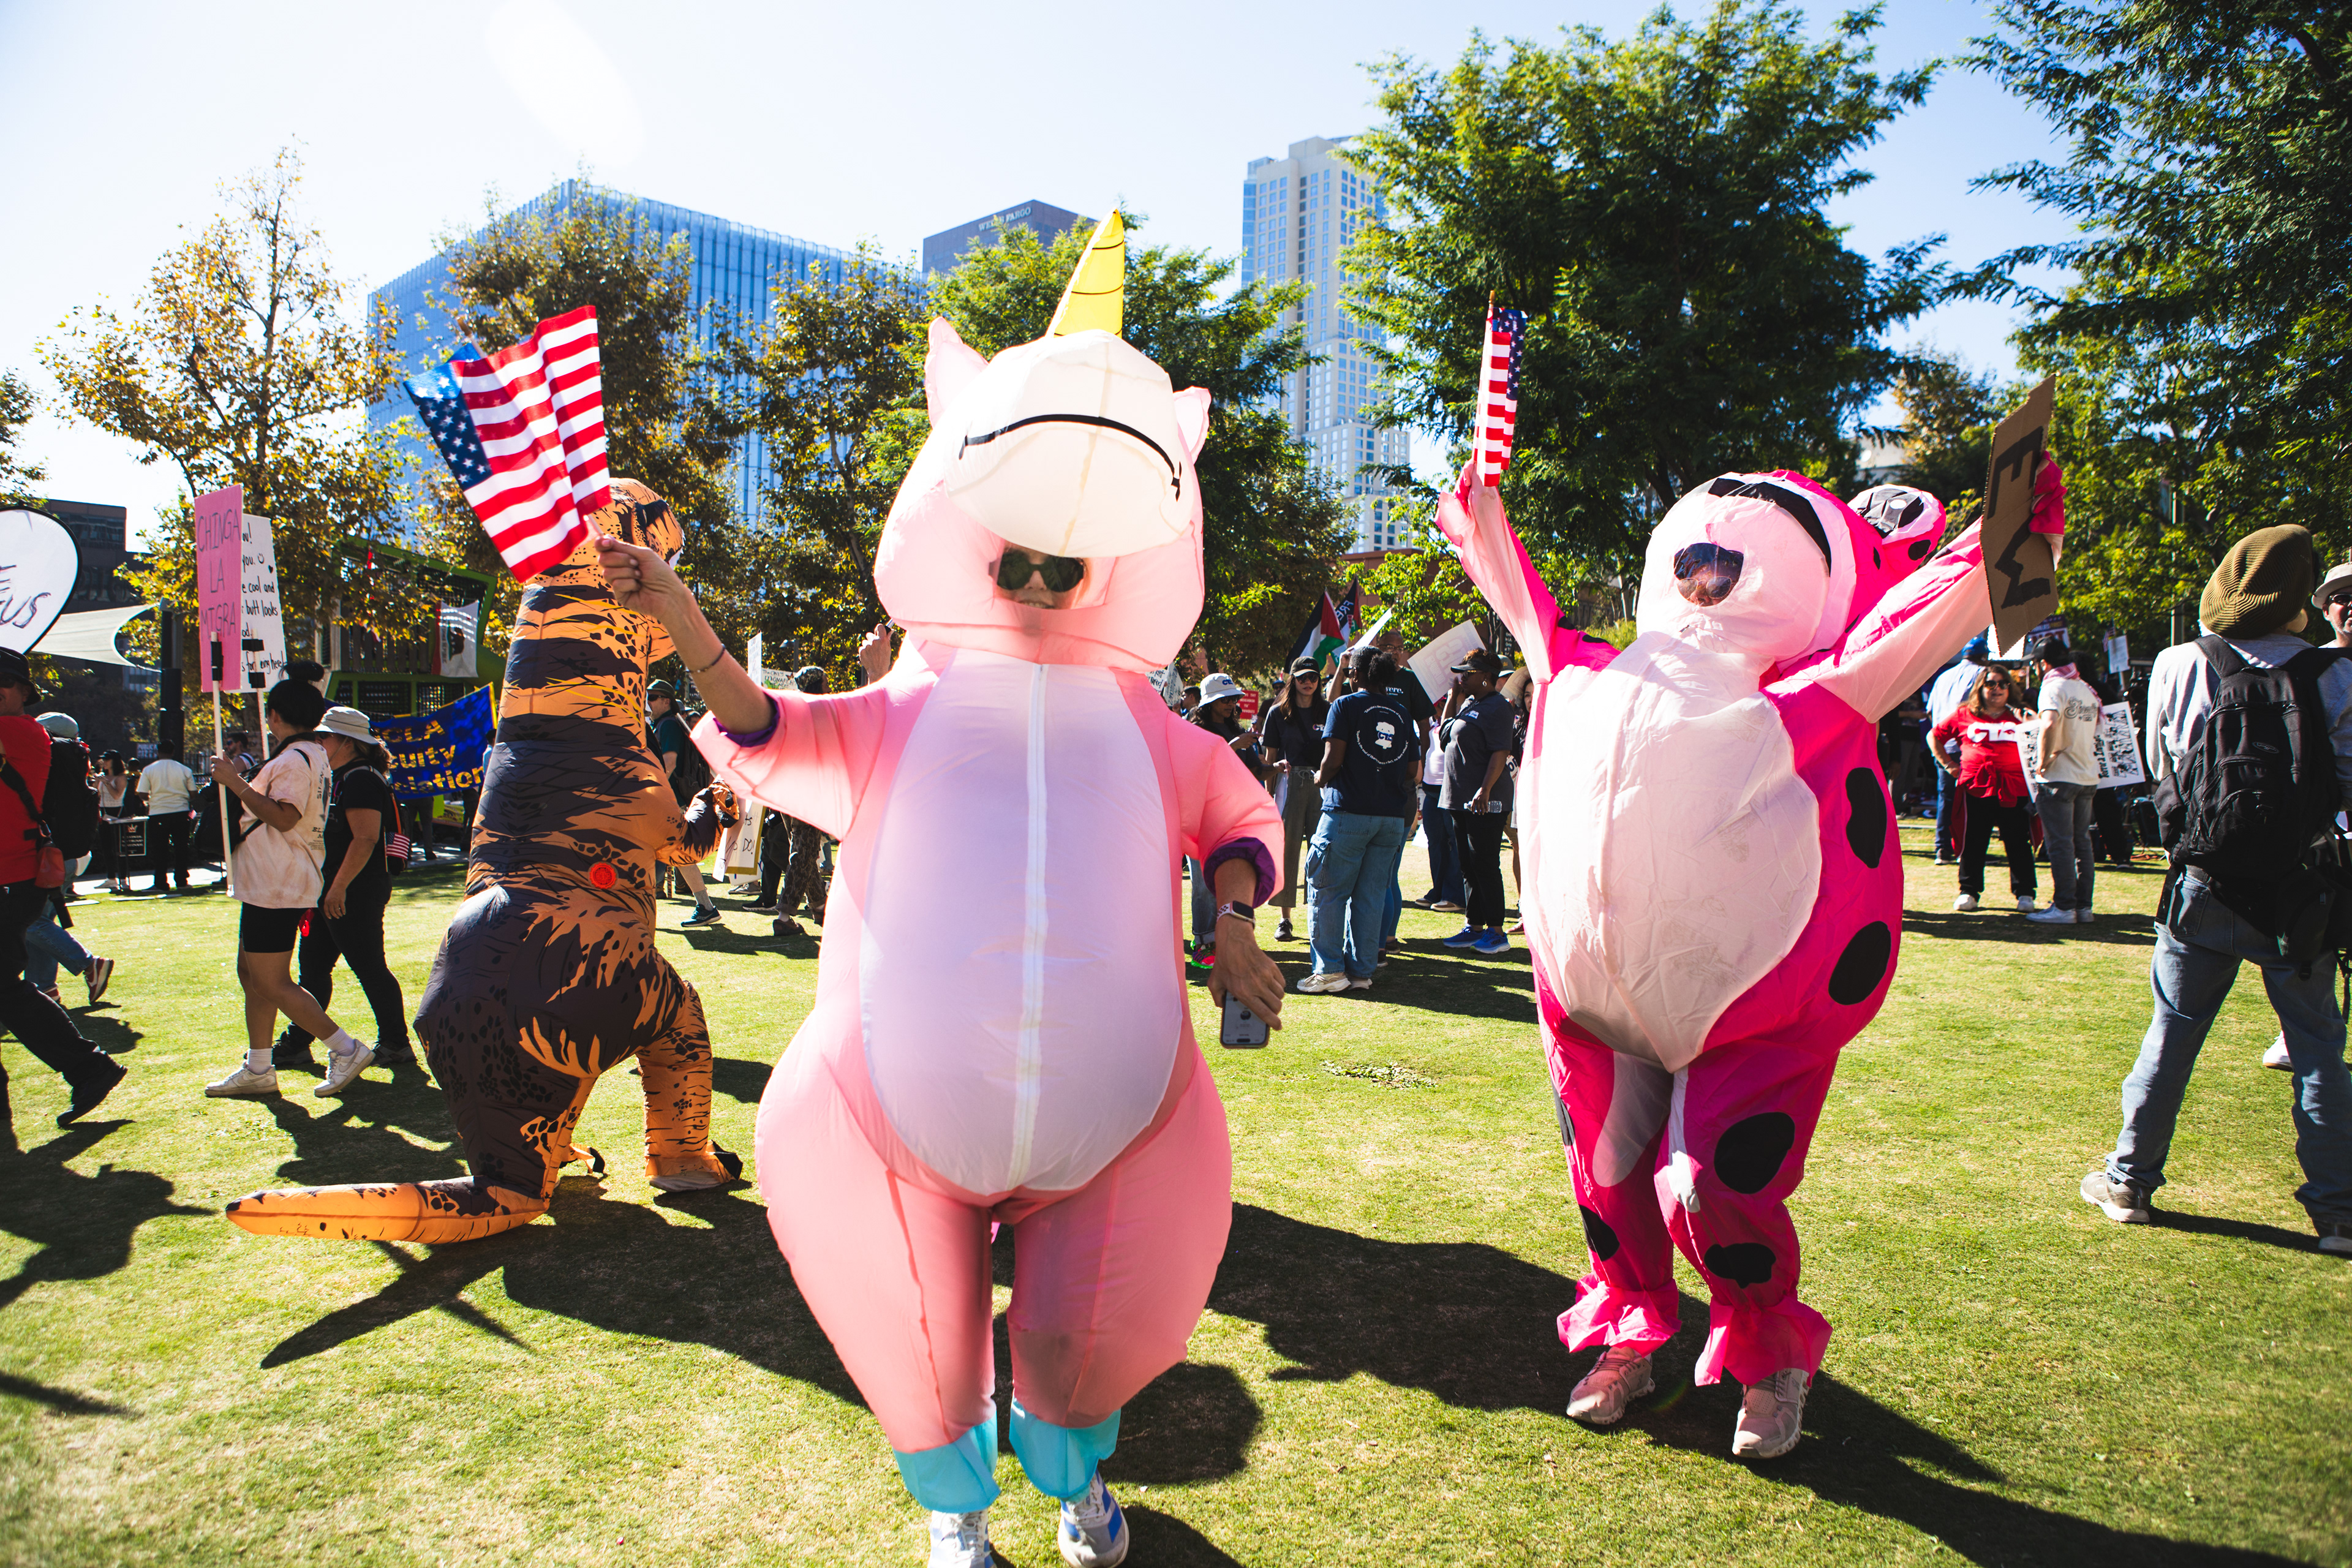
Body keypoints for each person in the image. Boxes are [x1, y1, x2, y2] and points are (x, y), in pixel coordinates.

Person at [594, 238, 1285, 1567]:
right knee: (918, 1335)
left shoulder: (1153, 727)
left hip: (1124, 1120)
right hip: (887, 1114)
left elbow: (1240, 821)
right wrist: (682, 614)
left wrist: (1235, 916)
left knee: (1095, 1348)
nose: (1036, 577)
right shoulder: (900, 711)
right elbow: (767, 725)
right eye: (1014, 554)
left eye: (1063, 562)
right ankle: (955, 1508)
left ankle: (1076, 1475)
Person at [1438, 459, 2060, 1461]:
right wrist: (1480, 497)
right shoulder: (1585, 663)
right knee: (1608, 1176)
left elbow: (1933, 615)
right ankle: (1633, 1328)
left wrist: (2010, 528)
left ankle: (1768, 1356)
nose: (1717, 554)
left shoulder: (1819, 694)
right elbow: (1510, 582)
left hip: (1749, 999)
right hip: (1597, 992)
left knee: (1713, 1185)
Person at [2084, 525, 2352, 1256]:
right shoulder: (2334, 676)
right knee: (2319, 1043)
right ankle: (2338, 1211)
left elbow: (2158, 760)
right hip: (2301, 888)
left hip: (2204, 881)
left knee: (2172, 1031)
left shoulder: (2180, 661)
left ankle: (2130, 1180)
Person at [202, 678, 374, 1100]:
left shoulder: (298, 758)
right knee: (253, 976)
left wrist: (234, 781)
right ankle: (259, 1065)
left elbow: (284, 817)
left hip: (277, 882)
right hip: (272, 879)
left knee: (272, 981)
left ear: (274, 716)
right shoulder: (311, 754)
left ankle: (345, 1048)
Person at [0, 649, 123, 1135]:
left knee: (5, 988)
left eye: (4, 687)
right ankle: (88, 1068)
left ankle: (89, 1067)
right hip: (11, 875)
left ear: (21, 693)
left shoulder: (22, 731)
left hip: (14, 877)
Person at [271, 707, 414, 1073]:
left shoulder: (360, 779)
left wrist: (337, 889)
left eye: (325, 737)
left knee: (368, 967)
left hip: (353, 890)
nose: (319, 742)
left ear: (348, 742)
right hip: (333, 890)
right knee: (313, 970)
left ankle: (396, 1043)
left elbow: (365, 839)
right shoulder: (342, 776)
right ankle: (298, 1043)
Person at [1298, 644, 1417, 992]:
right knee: (1371, 896)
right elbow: (1413, 769)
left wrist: (1321, 777)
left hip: (1347, 811)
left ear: (1356, 675)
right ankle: (1362, 972)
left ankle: (1330, 971)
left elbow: (1332, 758)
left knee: (1328, 892)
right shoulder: (1401, 711)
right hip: (1391, 817)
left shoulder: (1344, 705)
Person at [1932, 666, 2040, 913]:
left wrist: (2032, 721)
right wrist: (1949, 765)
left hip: (2014, 787)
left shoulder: (2020, 715)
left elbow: (2044, 732)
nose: (1997, 689)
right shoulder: (1964, 714)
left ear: (2010, 688)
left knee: (2017, 841)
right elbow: (1934, 736)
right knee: (1974, 840)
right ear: (1980, 687)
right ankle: (1968, 891)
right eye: (1991, 684)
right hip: (1976, 787)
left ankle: (2025, 894)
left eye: (2003, 684)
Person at [1438, 649, 1516, 955]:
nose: (1462, 678)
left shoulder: (1498, 707)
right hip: (1459, 799)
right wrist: (1453, 698)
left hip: (1486, 799)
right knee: (1468, 865)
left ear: (1486, 677)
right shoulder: (1469, 703)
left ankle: (1497, 932)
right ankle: (1475, 926)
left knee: (1485, 864)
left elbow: (1500, 753)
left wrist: (1484, 790)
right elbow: (1444, 736)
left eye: (1467, 674)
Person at [1188, 673, 1267, 958]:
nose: (1231, 703)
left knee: (1236, 878)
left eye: (1234, 698)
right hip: (1203, 815)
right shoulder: (1195, 730)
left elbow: (1255, 770)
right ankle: (1204, 941)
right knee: (1204, 882)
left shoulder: (1238, 728)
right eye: (1224, 699)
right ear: (1209, 702)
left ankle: (1230, 938)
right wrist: (1235, 745)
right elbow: (1197, 768)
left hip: (1234, 815)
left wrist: (1279, 767)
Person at [2027, 635, 2103, 927]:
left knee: (2061, 844)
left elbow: (2049, 723)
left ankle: (2064, 906)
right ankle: (2083, 906)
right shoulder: (2084, 687)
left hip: (2060, 774)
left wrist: (2042, 761)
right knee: (2082, 843)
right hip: (2087, 773)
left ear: (2043, 664)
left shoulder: (2053, 686)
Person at [1257, 657, 1330, 941]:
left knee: (1322, 852)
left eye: (1313, 677)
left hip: (1322, 785)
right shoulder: (1277, 714)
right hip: (1288, 785)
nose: (1308, 682)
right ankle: (1284, 919)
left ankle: (1319, 914)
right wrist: (1268, 796)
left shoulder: (1328, 710)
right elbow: (1270, 759)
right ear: (1293, 680)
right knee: (1286, 853)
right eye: (1302, 678)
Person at [646, 681, 723, 927]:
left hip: (672, 800)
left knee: (670, 852)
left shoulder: (667, 725)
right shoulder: (667, 724)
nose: (648, 702)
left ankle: (704, 906)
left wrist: (649, 793)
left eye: (653, 697)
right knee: (678, 853)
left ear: (667, 701)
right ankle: (705, 906)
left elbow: (669, 763)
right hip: (677, 799)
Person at [1922, 635, 1989, 864]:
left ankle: (1943, 849)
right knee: (1973, 800)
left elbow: (1930, 712)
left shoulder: (1943, 677)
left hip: (1941, 744)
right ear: (1984, 657)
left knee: (1946, 798)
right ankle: (1966, 850)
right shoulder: (1982, 675)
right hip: (1967, 746)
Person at [135, 742, 197, 894]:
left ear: (158, 751)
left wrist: (152, 798)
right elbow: (194, 793)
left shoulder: (149, 770)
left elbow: (142, 793)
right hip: (181, 811)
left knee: (160, 849)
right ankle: (182, 880)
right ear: (173, 752)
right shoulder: (184, 770)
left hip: (158, 812)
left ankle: (161, 882)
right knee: (181, 848)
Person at [94, 752, 133, 892]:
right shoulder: (102, 775)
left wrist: (106, 783)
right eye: (103, 759)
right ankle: (111, 879)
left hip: (117, 814)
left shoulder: (121, 777)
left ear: (115, 761)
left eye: (107, 760)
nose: (104, 762)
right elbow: (94, 793)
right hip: (103, 814)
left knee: (119, 849)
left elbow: (117, 796)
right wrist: (97, 782)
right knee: (107, 848)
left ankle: (123, 879)